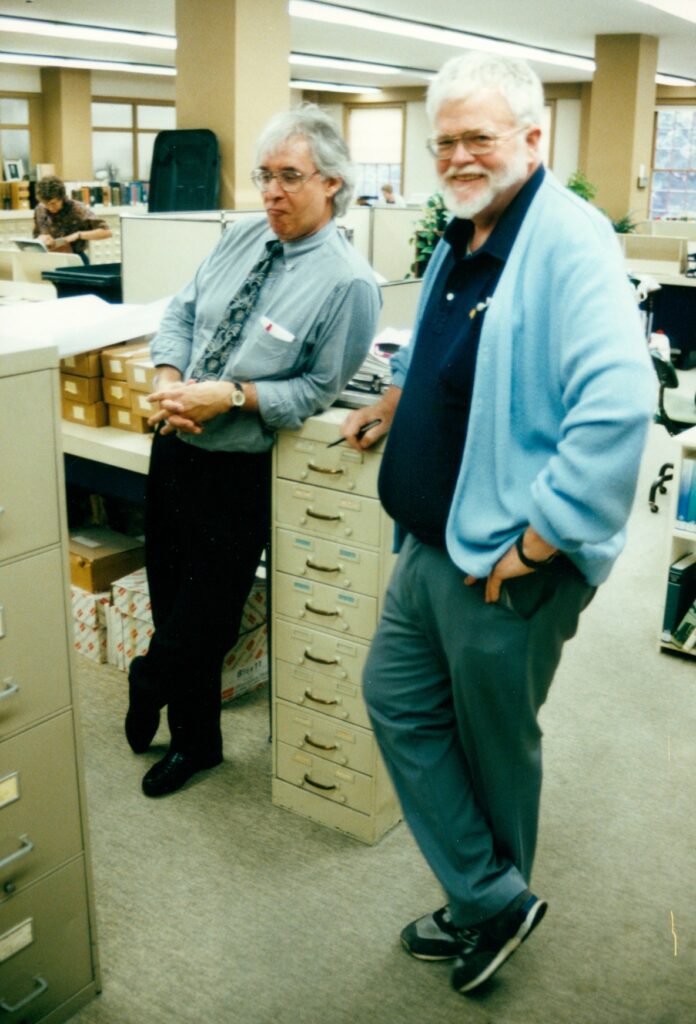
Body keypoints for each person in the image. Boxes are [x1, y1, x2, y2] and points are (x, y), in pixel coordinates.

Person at [340, 52, 655, 995]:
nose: (460, 156)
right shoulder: (467, 228)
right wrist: (399, 397)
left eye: (479, 137)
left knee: (493, 741)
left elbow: (618, 402)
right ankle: (491, 896)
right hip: (431, 542)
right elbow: (440, 338)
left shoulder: (568, 241)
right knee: (398, 700)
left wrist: (539, 541)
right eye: (445, 142)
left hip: (505, 560)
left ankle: (489, 908)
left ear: (531, 137)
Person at [125, 104, 381, 798]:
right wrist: (171, 377)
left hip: (238, 471)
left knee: (202, 621)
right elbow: (180, 311)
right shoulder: (241, 237)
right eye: (264, 175)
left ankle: (147, 677)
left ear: (331, 182)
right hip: (174, 446)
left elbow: (315, 391)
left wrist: (231, 396)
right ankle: (196, 744)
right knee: (168, 599)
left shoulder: (348, 283)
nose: (270, 192)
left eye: (289, 177)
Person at [33, 175, 111, 263]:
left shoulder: (77, 208)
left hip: (75, 257)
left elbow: (106, 232)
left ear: (61, 198)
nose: (49, 208)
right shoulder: (40, 208)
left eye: (53, 203)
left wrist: (78, 235)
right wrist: (41, 238)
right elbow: (36, 234)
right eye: (45, 204)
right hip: (50, 257)